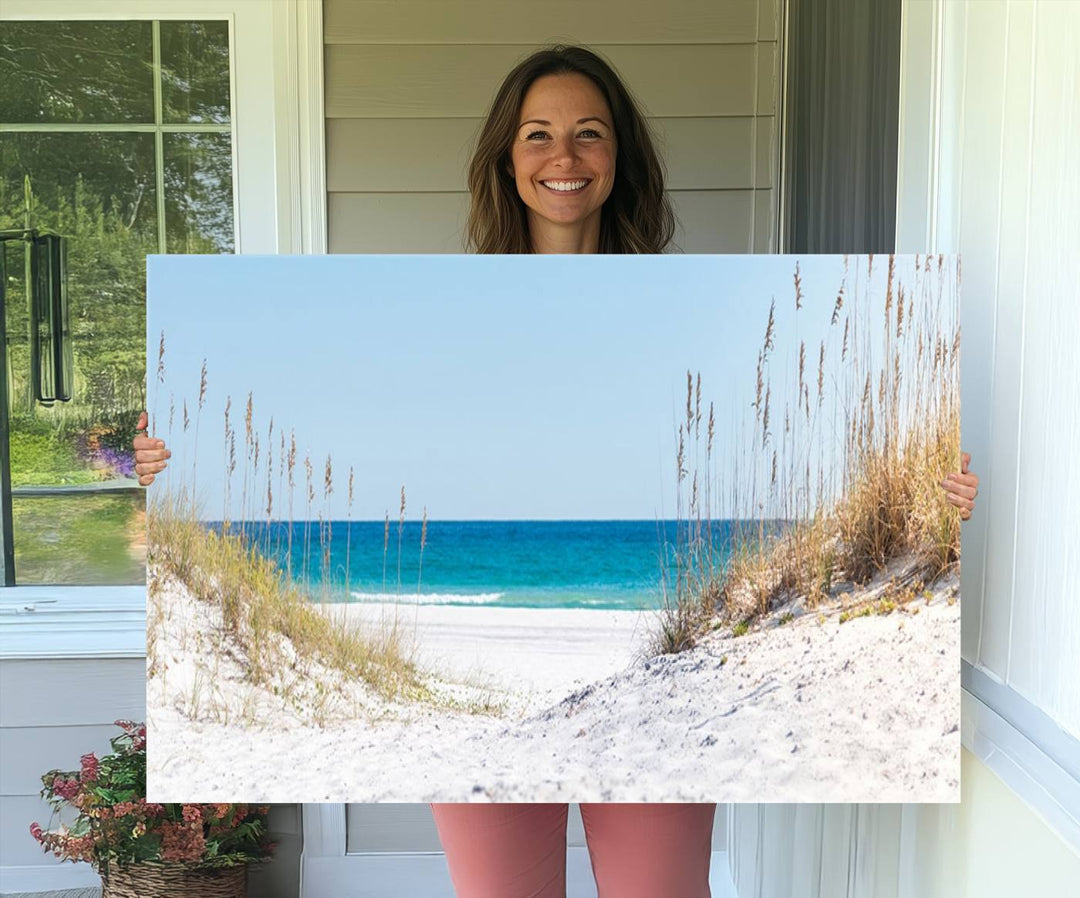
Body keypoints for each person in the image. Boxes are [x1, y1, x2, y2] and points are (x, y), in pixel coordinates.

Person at [133, 44, 978, 898]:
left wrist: (929, 505)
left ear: (619, 159)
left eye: (589, 134)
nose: (563, 157)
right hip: (478, 693)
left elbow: (801, 454)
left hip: (658, 676)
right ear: (507, 158)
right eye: (538, 134)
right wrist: (175, 464)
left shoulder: (699, 314)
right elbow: (350, 433)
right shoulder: (443, 318)